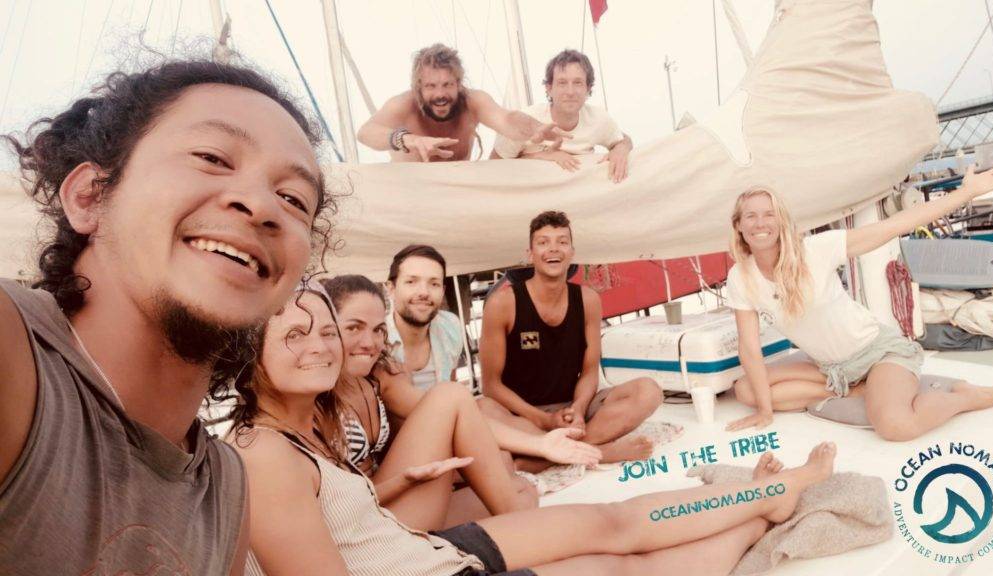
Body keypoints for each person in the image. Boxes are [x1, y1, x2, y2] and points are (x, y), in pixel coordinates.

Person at [230, 282, 840, 576]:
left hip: (423, 553)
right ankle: (759, 519)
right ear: (243, 353)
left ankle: (768, 495)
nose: (321, 346)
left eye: (325, 331)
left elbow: (342, 524)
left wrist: (398, 486)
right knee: (621, 568)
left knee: (614, 522)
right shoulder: (262, 455)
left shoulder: (300, 425)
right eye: (293, 334)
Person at [0, 59, 330, 574]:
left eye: (293, 199)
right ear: (89, 196)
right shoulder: (15, 352)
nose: (262, 205)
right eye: (212, 158)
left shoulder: (224, 487)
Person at [725, 164, 993, 439]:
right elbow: (748, 347)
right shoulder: (740, 277)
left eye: (769, 214)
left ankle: (966, 397)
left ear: (781, 221)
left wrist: (966, 193)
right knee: (747, 390)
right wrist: (765, 411)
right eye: (750, 216)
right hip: (830, 367)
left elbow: (894, 225)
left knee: (896, 427)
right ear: (738, 225)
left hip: (877, 353)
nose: (760, 223)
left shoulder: (815, 250)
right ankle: (858, 390)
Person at [321, 276, 602, 529]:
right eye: (354, 327)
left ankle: (512, 516)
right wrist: (405, 480)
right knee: (452, 396)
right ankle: (525, 529)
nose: (370, 342)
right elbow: (332, 505)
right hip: (364, 519)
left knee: (522, 488)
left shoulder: (378, 377)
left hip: (393, 498)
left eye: (378, 330)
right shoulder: (314, 392)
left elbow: (462, 420)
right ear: (327, 327)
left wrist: (540, 444)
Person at [478, 211, 663, 466]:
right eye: (543, 242)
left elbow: (589, 371)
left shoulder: (588, 300)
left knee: (648, 391)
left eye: (562, 242)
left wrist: (578, 408)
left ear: (572, 252)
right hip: (522, 415)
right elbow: (491, 386)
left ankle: (549, 459)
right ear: (530, 254)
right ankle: (597, 451)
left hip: (572, 410)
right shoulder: (502, 303)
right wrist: (542, 419)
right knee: (481, 410)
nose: (553, 249)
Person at [357, 43, 568, 162]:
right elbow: (366, 133)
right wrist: (408, 139)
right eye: (431, 86)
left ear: (459, 84)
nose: (440, 94)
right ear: (418, 87)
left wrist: (535, 128)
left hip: (456, 196)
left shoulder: (473, 102)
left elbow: (506, 119)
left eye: (447, 84)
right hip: (411, 196)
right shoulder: (404, 104)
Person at [492, 50, 632, 183]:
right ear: (549, 88)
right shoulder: (524, 121)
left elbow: (623, 140)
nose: (570, 92)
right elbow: (493, 167)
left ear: (588, 89)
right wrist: (540, 156)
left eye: (577, 83)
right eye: (562, 83)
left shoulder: (598, 118)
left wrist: (620, 150)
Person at [385, 244, 465, 389]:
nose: (424, 292)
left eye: (434, 284)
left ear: (442, 291)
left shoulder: (450, 326)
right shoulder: (376, 341)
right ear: (391, 289)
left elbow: (450, 388)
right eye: (411, 282)